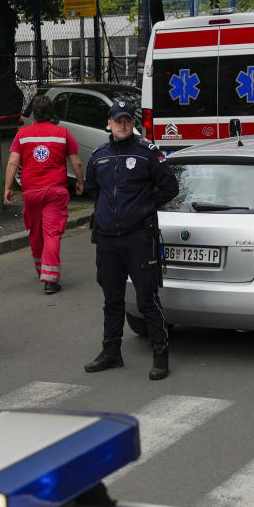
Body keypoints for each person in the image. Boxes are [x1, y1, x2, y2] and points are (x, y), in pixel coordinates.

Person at [83, 100, 178, 381]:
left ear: (132, 123)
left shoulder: (147, 153)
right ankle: (111, 351)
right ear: (109, 123)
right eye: (117, 120)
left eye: (127, 120)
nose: (122, 124)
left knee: (146, 298)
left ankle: (160, 353)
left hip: (138, 237)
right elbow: (92, 189)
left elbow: (170, 187)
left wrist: (143, 207)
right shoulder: (99, 155)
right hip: (108, 240)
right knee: (112, 298)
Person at [3, 95, 84, 294]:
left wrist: (8, 187)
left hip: (31, 192)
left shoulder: (22, 134)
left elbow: (13, 162)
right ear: (51, 112)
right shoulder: (62, 133)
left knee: (36, 232)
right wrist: (80, 182)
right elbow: (77, 163)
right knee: (52, 233)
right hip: (55, 191)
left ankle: (42, 269)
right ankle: (50, 278)